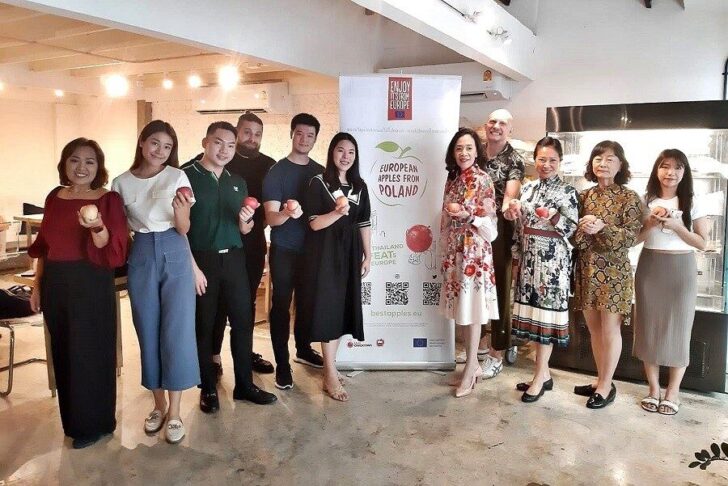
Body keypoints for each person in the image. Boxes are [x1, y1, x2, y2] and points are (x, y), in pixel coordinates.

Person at [28, 138, 128, 449]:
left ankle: (96, 423)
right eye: (74, 160)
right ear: (64, 164)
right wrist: (37, 285)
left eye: (89, 161)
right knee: (63, 352)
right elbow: (44, 247)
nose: (81, 167)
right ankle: (73, 422)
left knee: (91, 354)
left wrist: (96, 225)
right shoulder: (54, 197)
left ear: (99, 167)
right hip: (56, 282)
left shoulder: (108, 199)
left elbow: (111, 247)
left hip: (91, 282)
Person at [111, 120, 199, 444]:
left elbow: (184, 228)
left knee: (177, 330)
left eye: (167, 146)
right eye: (155, 143)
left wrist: (180, 212)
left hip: (175, 247)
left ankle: (175, 412)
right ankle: (158, 404)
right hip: (142, 252)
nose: (160, 151)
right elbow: (120, 229)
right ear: (142, 143)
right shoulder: (120, 183)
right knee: (146, 329)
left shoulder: (177, 177)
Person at [184, 121, 277, 413]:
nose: (224, 150)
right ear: (205, 142)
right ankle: (208, 389)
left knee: (242, 320)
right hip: (203, 259)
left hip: (235, 258)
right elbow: (178, 229)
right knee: (204, 324)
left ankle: (244, 385)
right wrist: (192, 268)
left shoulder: (237, 181)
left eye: (230, 145)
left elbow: (245, 229)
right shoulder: (186, 177)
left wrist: (245, 219)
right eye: (218, 143)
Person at [633, 149, 709, 415]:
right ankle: (653, 389)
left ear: (684, 172)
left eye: (677, 167)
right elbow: (633, 239)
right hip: (650, 266)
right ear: (657, 170)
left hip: (681, 269)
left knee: (679, 329)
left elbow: (702, 243)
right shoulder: (645, 200)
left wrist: (677, 226)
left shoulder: (693, 201)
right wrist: (652, 224)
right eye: (665, 166)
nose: (671, 172)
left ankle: (673, 392)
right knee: (649, 328)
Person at [505, 137, 579, 402]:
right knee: (532, 319)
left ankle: (538, 377)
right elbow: (518, 228)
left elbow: (573, 230)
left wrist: (554, 216)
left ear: (560, 162)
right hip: (528, 260)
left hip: (552, 264)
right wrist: (516, 257)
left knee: (545, 321)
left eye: (552, 160)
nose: (546, 165)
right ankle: (543, 374)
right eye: (542, 159)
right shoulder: (527, 189)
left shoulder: (568, 192)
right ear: (534, 160)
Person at [573, 140, 643, 409]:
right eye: (598, 158)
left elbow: (631, 237)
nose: (603, 164)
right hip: (587, 270)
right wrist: (583, 229)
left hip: (614, 273)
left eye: (610, 159)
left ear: (620, 165)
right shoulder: (584, 196)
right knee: (594, 329)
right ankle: (601, 380)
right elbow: (575, 240)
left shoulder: (629, 197)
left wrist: (602, 227)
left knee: (611, 330)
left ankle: (605, 386)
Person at [302, 132, 372, 402]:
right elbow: (314, 223)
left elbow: (364, 222)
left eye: (351, 152)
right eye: (341, 150)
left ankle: (330, 367)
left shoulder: (359, 186)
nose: (346, 156)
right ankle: (329, 373)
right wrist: (336, 212)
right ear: (332, 152)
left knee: (344, 309)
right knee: (329, 310)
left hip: (350, 253)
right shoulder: (318, 182)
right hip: (325, 254)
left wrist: (368, 256)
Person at [209, 112, 276, 377]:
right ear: (237, 133)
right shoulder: (220, 159)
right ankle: (213, 357)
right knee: (217, 303)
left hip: (252, 244)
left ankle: (246, 354)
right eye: (247, 132)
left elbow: (271, 206)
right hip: (219, 243)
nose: (252, 138)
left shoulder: (269, 165)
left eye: (257, 134)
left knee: (246, 302)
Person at [262, 113, 325, 390]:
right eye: (300, 133)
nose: (304, 139)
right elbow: (271, 218)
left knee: (308, 302)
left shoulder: (320, 171)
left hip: (312, 251)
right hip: (284, 249)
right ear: (291, 134)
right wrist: (287, 213)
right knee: (281, 304)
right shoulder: (277, 172)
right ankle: (282, 364)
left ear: (315, 139)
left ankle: (303, 348)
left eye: (310, 135)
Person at [439, 128, 498, 398]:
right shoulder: (452, 180)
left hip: (474, 254)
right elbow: (445, 218)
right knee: (462, 311)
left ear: (477, 152)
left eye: (469, 148)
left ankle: (471, 366)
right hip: (455, 253)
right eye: (459, 148)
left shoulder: (483, 179)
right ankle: (471, 365)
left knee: (472, 311)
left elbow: (491, 229)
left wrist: (469, 216)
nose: (463, 153)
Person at [475, 109, 525, 379]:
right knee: (476, 285)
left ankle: (497, 352)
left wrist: (507, 208)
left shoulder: (513, 159)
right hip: (472, 228)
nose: (496, 126)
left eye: (502, 123)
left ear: (509, 130)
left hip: (499, 229)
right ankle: (480, 343)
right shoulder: (475, 152)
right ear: (486, 125)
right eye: (492, 121)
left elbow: (509, 195)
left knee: (499, 288)